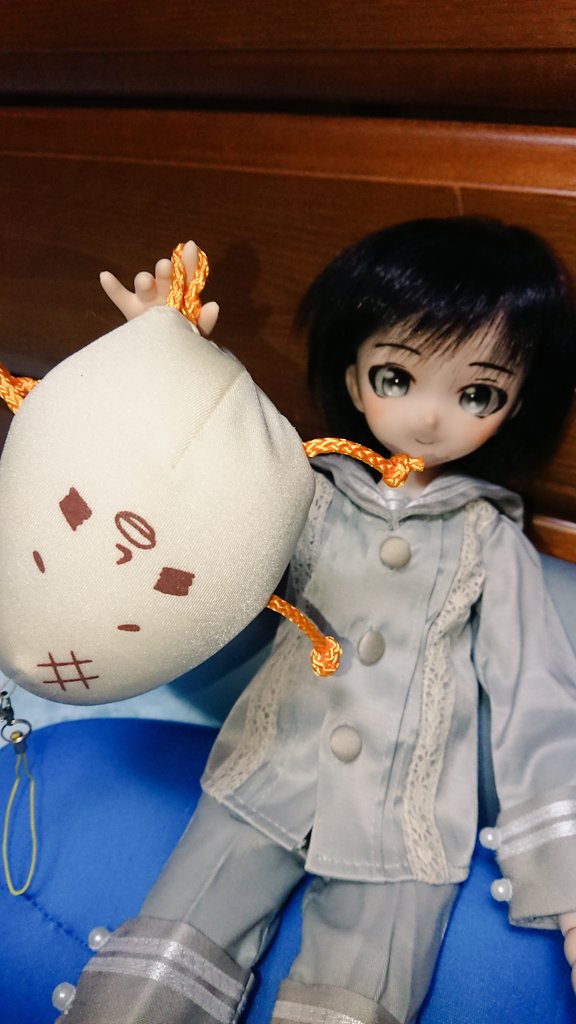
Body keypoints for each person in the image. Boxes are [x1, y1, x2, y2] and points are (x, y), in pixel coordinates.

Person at [66, 219, 576, 1024]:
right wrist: (165, 366)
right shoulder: (305, 490)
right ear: (352, 375)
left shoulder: (490, 540)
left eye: (477, 393)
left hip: (405, 817)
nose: (431, 418)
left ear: (514, 406)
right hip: (268, 766)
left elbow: (533, 707)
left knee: (354, 1000)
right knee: (162, 962)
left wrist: (569, 884)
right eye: (397, 377)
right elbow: (197, 498)